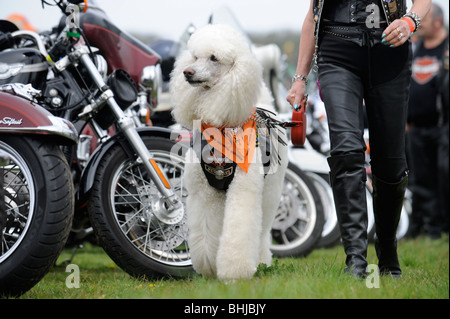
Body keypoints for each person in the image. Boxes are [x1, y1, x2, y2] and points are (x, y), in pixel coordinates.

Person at [287, 0, 431, 278]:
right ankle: (355, 260)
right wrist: (299, 79)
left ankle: (387, 253)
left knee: (389, 163)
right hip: (336, 49)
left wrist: (410, 21)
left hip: (390, 49)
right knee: (346, 151)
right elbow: (312, 16)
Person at [406, 3, 449, 239]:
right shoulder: (415, 48)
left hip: (443, 128)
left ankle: (444, 224)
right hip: (416, 128)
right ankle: (430, 228)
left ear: (438, 22)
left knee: (443, 175)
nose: (419, 23)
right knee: (421, 179)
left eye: (426, 18)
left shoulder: (446, 49)